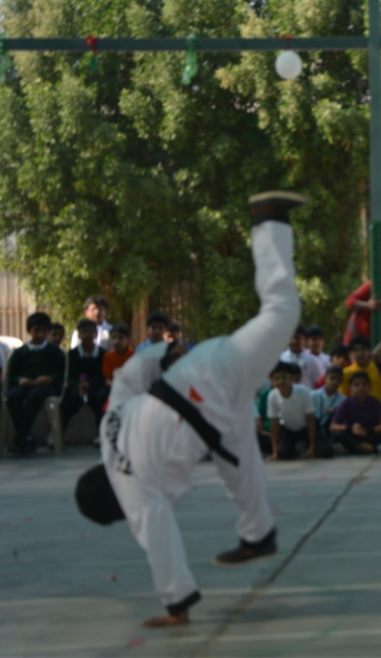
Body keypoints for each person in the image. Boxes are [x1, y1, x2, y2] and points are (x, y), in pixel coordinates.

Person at [75, 191, 304, 629]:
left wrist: (176, 607)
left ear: (115, 508)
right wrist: (164, 352)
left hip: (214, 385)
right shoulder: (109, 431)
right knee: (239, 461)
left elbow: (159, 541)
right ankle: (257, 535)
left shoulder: (131, 491)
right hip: (200, 386)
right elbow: (126, 380)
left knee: (282, 310)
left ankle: (269, 220)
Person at [5, 312, 66, 455]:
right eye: (36, 331)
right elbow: (11, 375)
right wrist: (20, 379)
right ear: (29, 331)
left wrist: (50, 378)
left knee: (35, 396)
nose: (40, 335)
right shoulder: (20, 352)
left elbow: (63, 373)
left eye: (44, 331)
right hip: (24, 385)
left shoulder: (54, 351)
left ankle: (21, 438)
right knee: (13, 397)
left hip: (46, 387)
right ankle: (26, 436)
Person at [264, 362, 323, 461]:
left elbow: (310, 419)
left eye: (284, 377)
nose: (281, 382)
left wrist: (312, 447)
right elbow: (274, 423)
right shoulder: (272, 396)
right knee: (283, 454)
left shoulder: (303, 392)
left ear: (291, 378)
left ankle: (308, 446)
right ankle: (298, 449)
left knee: (325, 451)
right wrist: (275, 452)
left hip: (306, 427)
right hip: (289, 429)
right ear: (272, 381)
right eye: (276, 378)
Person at [330, 371, 381, 455]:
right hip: (353, 435)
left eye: (364, 384)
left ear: (370, 387)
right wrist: (350, 428)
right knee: (337, 435)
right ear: (350, 388)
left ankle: (359, 448)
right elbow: (333, 426)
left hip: (370, 435)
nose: (361, 388)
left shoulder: (375, 402)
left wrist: (368, 431)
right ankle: (371, 449)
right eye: (356, 385)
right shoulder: (346, 403)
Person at [61, 318, 108, 431]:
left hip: (96, 387)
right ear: (79, 335)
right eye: (84, 331)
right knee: (69, 400)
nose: (87, 334)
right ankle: (59, 432)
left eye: (90, 331)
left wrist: (90, 384)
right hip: (76, 387)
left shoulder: (103, 354)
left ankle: (101, 433)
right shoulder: (71, 354)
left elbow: (103, 374)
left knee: (100, 399)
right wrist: (79, 385)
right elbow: (68, 375)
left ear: (95, 334)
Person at [338, 335, 381, 402]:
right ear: (350, 354)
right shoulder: (346, 373)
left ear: (369, 351)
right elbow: (342, 397)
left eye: (363, 349)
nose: (360, 353)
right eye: (356, 350)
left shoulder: (379, 369)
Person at [311, 365, 346, 434]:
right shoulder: (313, 395)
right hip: (313, 427)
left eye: (338, 379)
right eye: (332, 378)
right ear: (325, 379)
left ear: (341, 381)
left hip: (331, 430)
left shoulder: (343, 400)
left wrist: (335, 412)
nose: (335, 381)